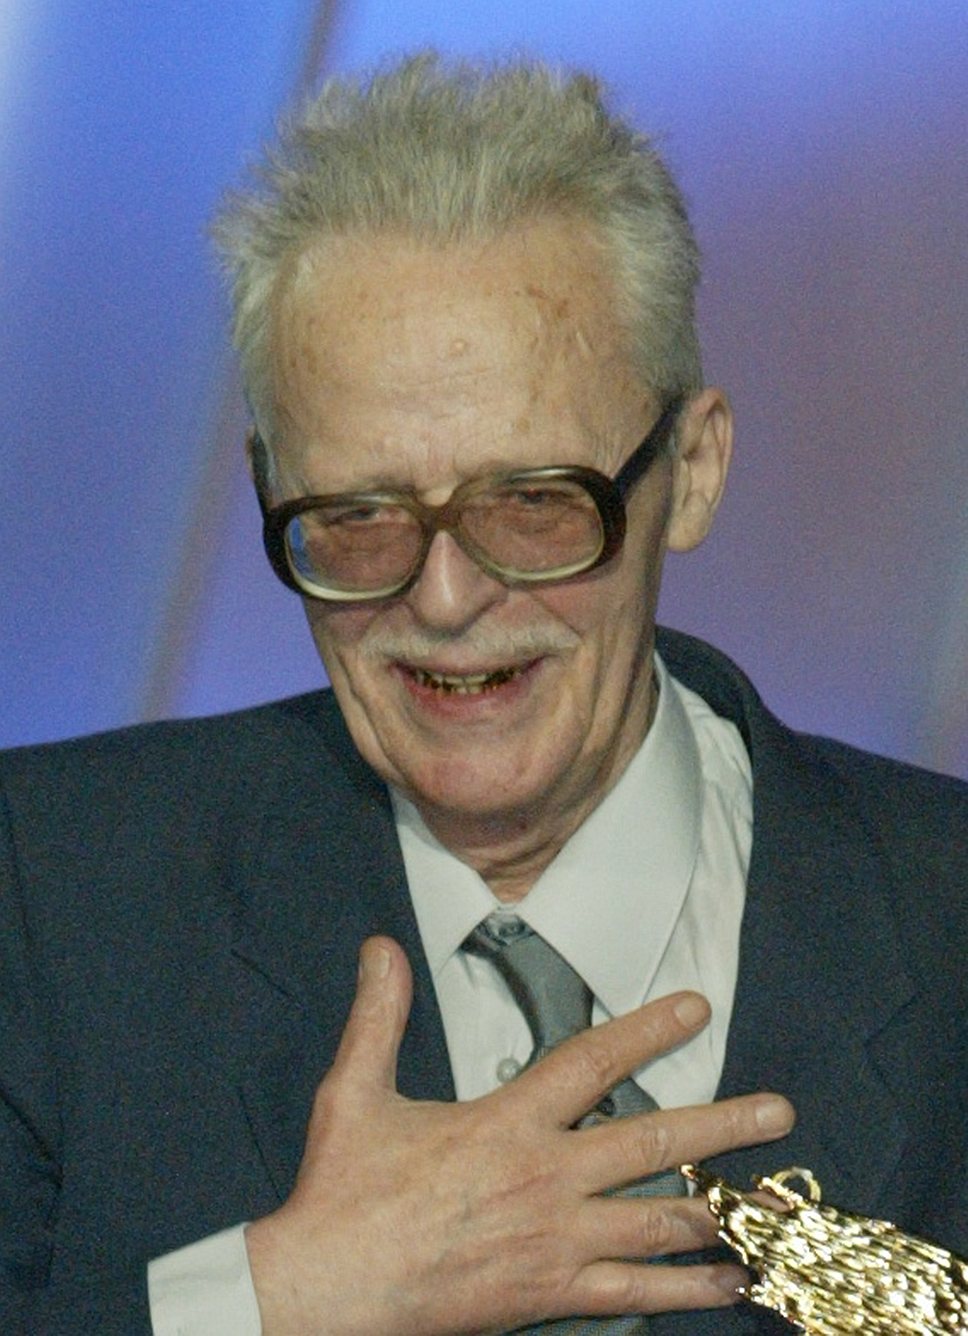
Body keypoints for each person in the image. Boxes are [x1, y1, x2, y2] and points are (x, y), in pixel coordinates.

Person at [0, 53, 964, 1336]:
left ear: (689, 469)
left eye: (533, 503)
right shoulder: (45, 897)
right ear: (269, 490)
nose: (445, 598)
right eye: (358, 516)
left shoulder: (944, 913)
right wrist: (275, 1301)